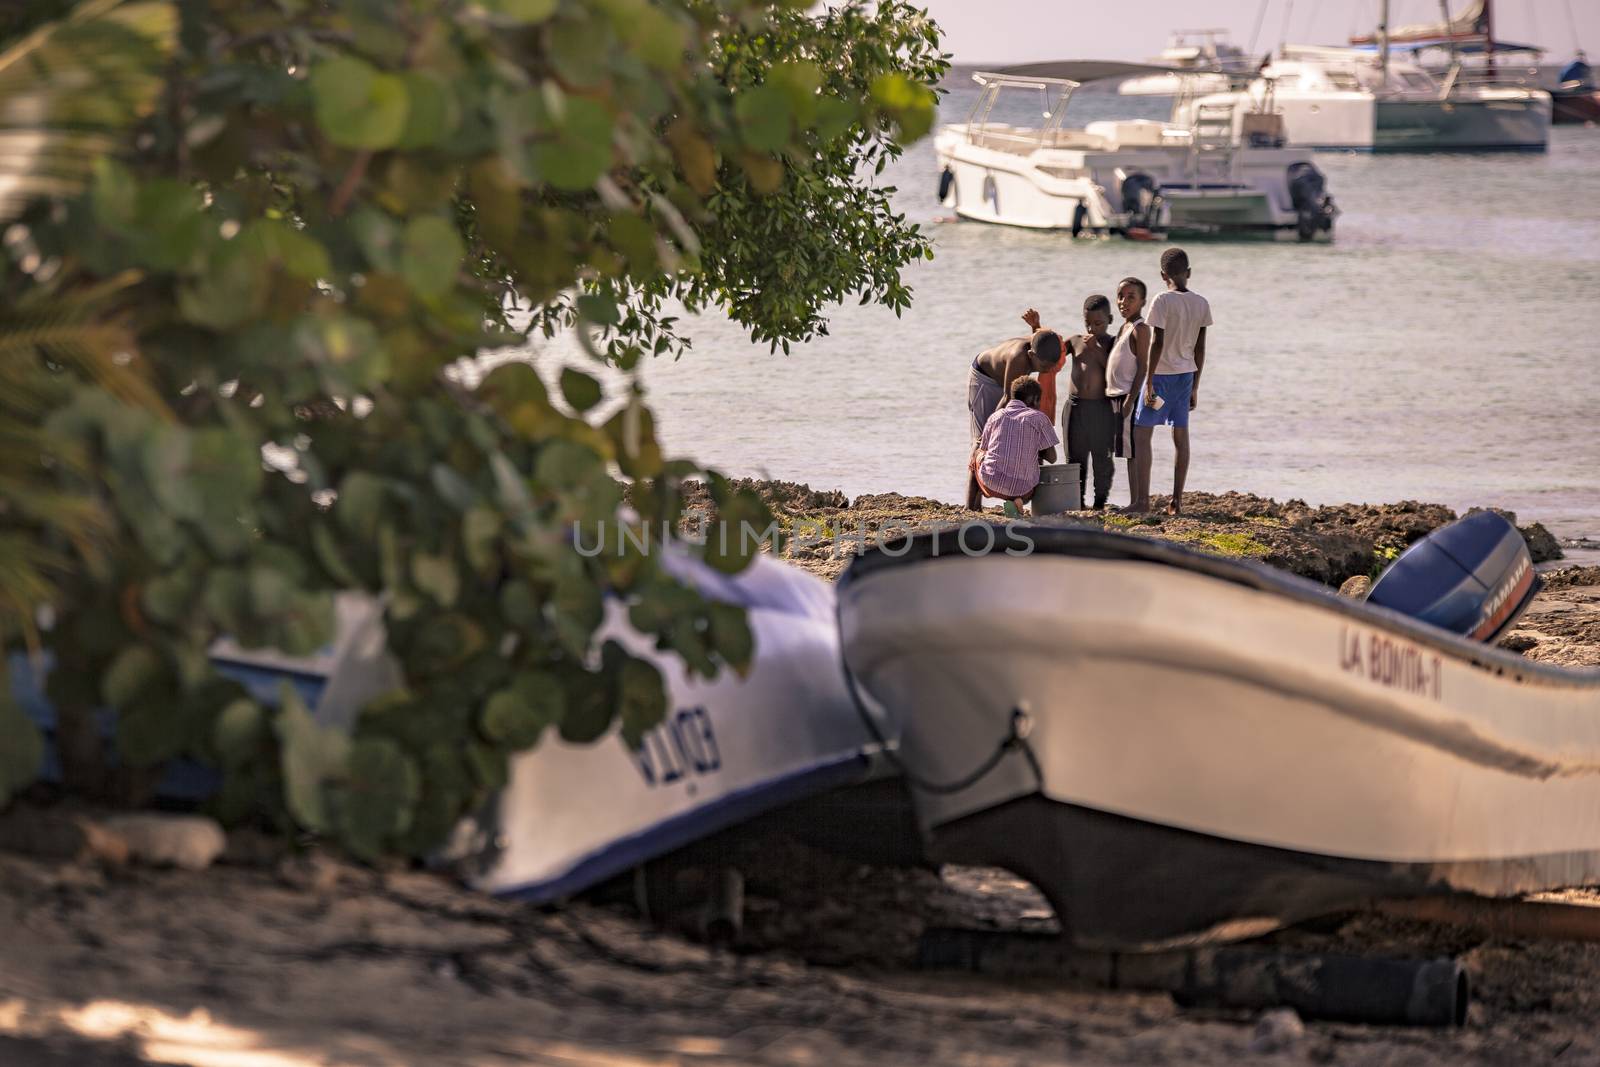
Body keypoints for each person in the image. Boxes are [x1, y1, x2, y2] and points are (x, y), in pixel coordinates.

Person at [1133, 247, 1212, 516]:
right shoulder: (1201, 302)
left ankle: (1142, 502)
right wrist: (1196, 385)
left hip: (1162, 376)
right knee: (1181, 435)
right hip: (1186, 376)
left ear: (1162, 274)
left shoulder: (1162, 300)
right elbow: (1201, 348)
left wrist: (1150, 380)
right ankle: (1177, 501)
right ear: (1188, 273)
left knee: (1142, 434)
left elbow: (1157, 343)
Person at [967, 327, 1063, 509]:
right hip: (985, 379)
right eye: (1044, 367)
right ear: (1031, 355)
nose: (1047, 370)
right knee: (979, 442)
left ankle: (1009, 494)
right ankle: (972, 505)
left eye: (1052, 366)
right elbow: (1007, 398)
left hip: (1007, 385)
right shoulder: (1019, 359)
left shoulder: (1039, 346)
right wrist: (995, 426)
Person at [968, 376, 1059, 515]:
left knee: (976, 456)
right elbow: (1053, 458)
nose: (1039, 405)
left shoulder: (995, 417)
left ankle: (971, 507)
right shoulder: (1039, 418)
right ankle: (1016, 499)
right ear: (1033, 399)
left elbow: (984, 449)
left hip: (991, 486)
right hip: (1026, 491)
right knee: (1034, 458)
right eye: (1039, 400)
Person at [1106, 277, 1152, 511]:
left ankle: (1139, 502)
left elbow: (1143, 366)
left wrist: (1131, 400)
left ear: (1142, 301)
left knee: (1134, 451)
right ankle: (1134, 501)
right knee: (1127, 451)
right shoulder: (1123, 327)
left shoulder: (1140, 329)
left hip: (1128, 397)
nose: (1124, 301)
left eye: (1131, 297)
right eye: (1121, 296)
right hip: (1117, 396)